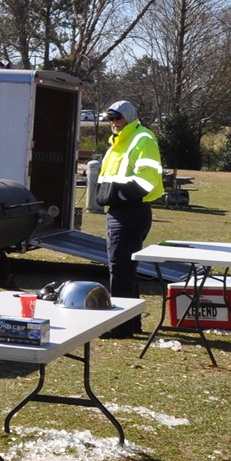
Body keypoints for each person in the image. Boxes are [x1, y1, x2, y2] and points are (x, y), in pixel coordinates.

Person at [94, 99, 164, 335]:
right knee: (125, 269)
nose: (113, 123)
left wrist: (123, 195)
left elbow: (148, 177)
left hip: (130, 212)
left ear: (129, 117)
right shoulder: (117, 142)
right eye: (111, 119)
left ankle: (119, 327)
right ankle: (131, 323)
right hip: (120, 211)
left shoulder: (142, 138)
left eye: (117, 118)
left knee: (120, 269)